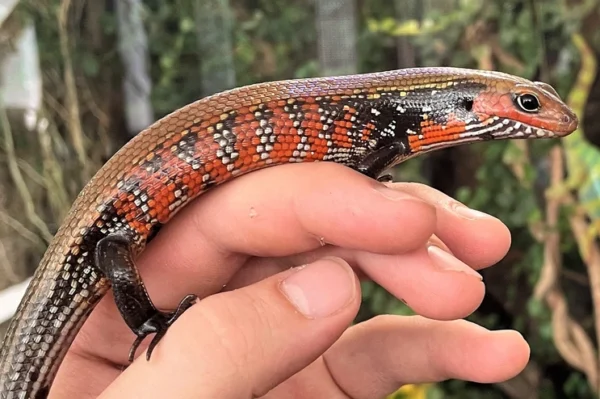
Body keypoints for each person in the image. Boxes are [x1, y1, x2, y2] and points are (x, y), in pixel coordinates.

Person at [50, 162, 529, 398]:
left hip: (108, 239)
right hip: (97, 242)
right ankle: (148, 323)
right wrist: (151, 321)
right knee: (116, 259)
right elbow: (111, 252)